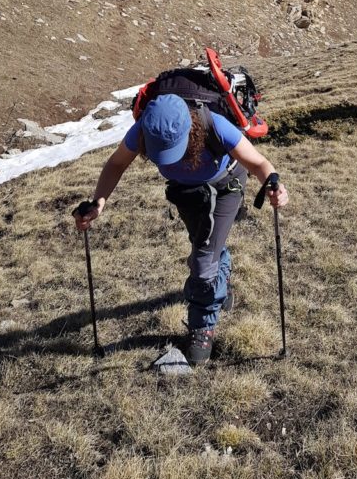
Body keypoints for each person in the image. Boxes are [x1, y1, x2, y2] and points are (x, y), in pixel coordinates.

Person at [74, 93, 288, 365]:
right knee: (207, 247)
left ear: (191, 130)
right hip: (186, 193)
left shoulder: (215, 125)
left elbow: (259, 163)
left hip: (225, 187)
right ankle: (220, 282)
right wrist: (98, 203)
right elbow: (116, 164)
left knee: (202, 262)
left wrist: (275, 185)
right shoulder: (142, 129)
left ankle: (202, 326)